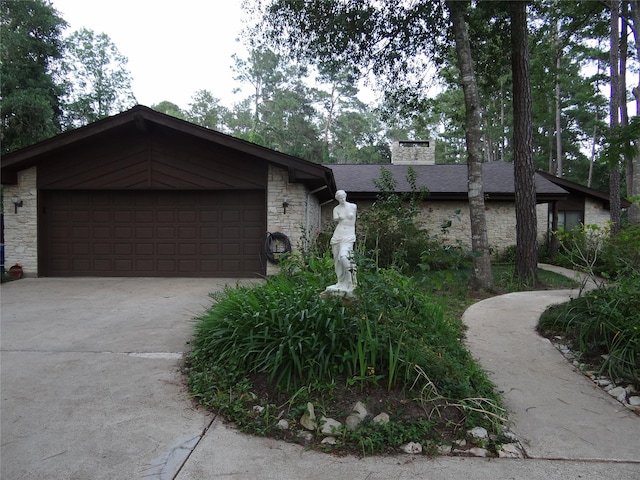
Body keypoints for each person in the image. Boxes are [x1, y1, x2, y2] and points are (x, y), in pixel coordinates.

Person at [325, 190, 357, 294]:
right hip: (338, 235)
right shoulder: (336, 209)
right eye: (340, 198)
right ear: (337, 199)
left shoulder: (353, 206)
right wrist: (339, 217)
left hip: (348, 235)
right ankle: (340, 281)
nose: (342, 199)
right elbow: (335, 218)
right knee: (337, 260)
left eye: (343, 197)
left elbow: (352, 220)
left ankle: (351, 281)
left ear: (345, 196)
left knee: (344, 257)